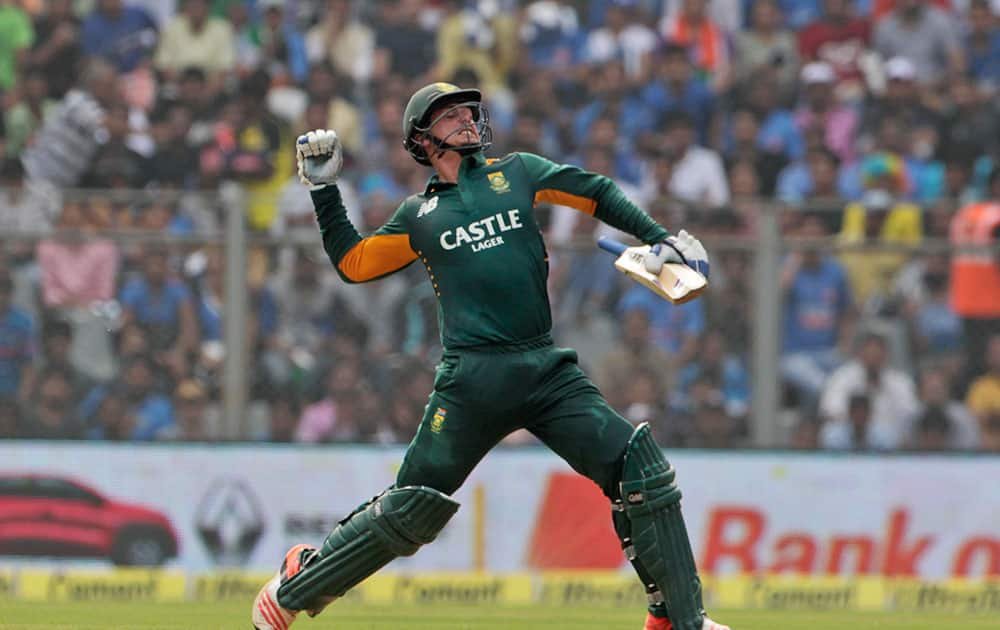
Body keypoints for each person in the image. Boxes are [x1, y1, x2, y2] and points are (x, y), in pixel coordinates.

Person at [250, 83, 728, 630]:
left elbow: (593, 190)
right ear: (422, 139)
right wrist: (324, 189)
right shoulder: (419, 214)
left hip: (546, 371)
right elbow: (355, 264)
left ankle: (679, 619)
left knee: (640, 467)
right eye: (449, 115)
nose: (466, 119)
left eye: (467, 111)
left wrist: (658, 236)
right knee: (412, 508)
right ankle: (296, 585)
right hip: (472, 381)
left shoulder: (517, 172)